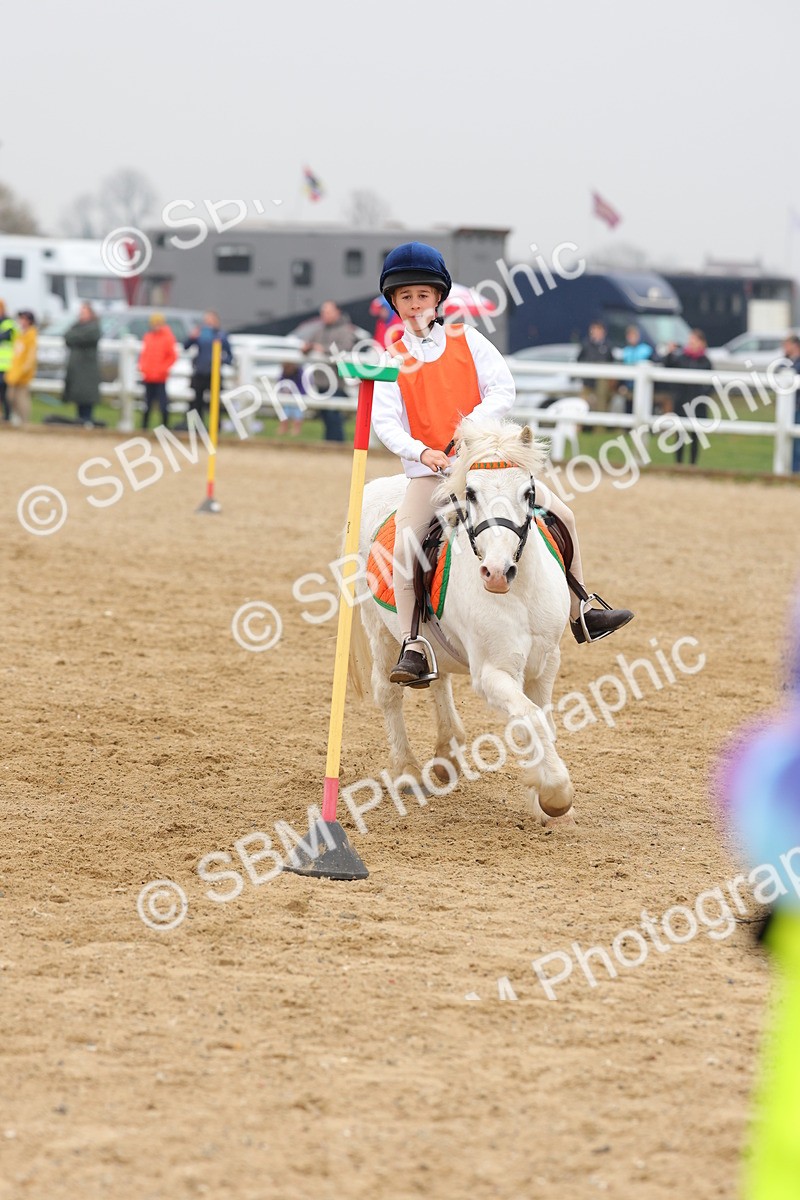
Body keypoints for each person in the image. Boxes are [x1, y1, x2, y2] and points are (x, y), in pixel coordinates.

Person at [372, 242, 634, 685]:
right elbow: (386, 422)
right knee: (405, 548)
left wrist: (469, 427)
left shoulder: (468, 340)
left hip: (487, 463)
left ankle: (582, 609)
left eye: (422, 295)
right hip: (432, 474)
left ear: (438, 298)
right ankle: (412, 642)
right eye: (405, 297)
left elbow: (502, 389)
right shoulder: (391, 359)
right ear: (394, 303)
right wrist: (422, 452)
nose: (415, 304)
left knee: (563, 515)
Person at [301, 300, 359, 442]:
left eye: (328, 312)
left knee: (334, 418)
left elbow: (346, 348)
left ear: (337, 312)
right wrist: (307, 348)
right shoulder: (320, 329)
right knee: (326, 417)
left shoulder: (345, 330)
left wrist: (324, 349)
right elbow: (309, 344)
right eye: (323, 312)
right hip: (321, 381)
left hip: (336, 383)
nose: (324, 315)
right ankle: (330, 446)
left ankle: (337, 445)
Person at [662, 329, 713, 466]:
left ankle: (692, 465)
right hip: (682, 402)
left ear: (701, 343)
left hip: (698, 404)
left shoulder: (705, 361)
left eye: (694, 340)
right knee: (679, 434)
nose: (691, 343)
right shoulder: (681, 358)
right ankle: (678, 464)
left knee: (695, 436)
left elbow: (710, 384)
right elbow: (667, 366)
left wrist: (702, 396)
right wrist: (669, 353)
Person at [183, 310, 233, 424]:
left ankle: (216, 427)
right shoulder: (199, 334)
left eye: (211, 320)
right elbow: (186, 346)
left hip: (214, 374)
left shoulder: (221, 335)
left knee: (214, 402)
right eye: (206, 320)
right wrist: (191, 337)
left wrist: (221, 360)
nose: (208, 322)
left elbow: (230, 356)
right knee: (197, 402)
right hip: (200, 372)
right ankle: (196, 426)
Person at [63, 303, 101, 425]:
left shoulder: (94, 328)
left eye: (84, 312)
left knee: (87, 398)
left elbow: (77, 337)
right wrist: (75, 337)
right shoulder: (76, 326)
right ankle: (80, 421)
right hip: (77, 369)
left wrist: (75, 337)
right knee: (78, 397)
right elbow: (67, 337)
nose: (81, 315)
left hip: (88, 370)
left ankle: (87, 420)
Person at [138, 313, 177, 429]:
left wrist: (162, 369)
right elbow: (144, 354)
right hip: (148, 375)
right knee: (147, 404)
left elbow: (172, 356)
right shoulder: (148, 336)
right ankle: (144, 428)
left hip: (160, 377)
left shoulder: (168, 337)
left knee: (163, 404)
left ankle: (165, 427)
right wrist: (143, 367)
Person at [613, 325, 654, 414]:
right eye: (630, 336)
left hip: (643, 385)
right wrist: (622, 384)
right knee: (628, 407)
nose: (631, 338)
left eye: (633, 335)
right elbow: (622, 370)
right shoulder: (626, 351)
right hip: (628, 385)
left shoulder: (646, 350)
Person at [5, 311, 37, 425]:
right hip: (14, 372)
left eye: (24, 319)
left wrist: (23, 371)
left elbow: (30, 358)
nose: (21, 321)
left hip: (22, 374)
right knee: (10, 397)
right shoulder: (19, 334)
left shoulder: (31, 335)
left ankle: (24, 421)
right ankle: (16, 418)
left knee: (22, 399)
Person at [577, 319, 614, 414]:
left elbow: (611, 361)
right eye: (594, 329)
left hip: (602, 382)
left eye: (598, 330)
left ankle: (598, 427)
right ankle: (580, 426)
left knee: (601, 405)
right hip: (588, 381)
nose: (595, 332)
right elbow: (579, 360)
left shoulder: (608, 346)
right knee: (582, 404)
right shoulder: (586, 344)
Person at [783, 334, 800, 474]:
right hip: (791, 407)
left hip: (797, 406)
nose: (784, 348)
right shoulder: (787, 361)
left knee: (797, 443)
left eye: (787, 345)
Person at [275, 361, 306, 436]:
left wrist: (299, 394)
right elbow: (280, 383)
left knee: (298, 414)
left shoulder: (300, 374)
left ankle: (296, 429)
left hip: (298, 398)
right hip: (287, 398)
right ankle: (283, 428)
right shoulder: (284, 374)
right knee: (284, 413)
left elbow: (303, 387)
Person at [0, 299, 18, 422]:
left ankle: (8, 416)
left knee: (5, 393)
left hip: (6, 365)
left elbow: (5, 337)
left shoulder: (9, 323)